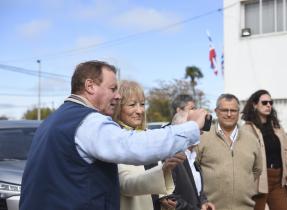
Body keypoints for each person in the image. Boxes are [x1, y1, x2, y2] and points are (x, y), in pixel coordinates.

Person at [19, 60, 208, 210]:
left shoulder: (55, 120)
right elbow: (134, 147)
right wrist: (191, 127)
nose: (117, 96)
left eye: (142, 104)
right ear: (90, 86)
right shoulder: (88, 122)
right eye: (112, 89)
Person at [112, 80, 184, 210]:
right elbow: (126, 185)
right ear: (118, 107)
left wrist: (163, 197)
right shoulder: (115, 139)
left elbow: (153, 181)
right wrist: (163, 170)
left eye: (142, 104)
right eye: (132, 104)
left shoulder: (148, 136)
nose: (139, 110)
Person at [196, 93, 262, 210]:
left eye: (233, 110)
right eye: (224, 110)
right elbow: (193, 171)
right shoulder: (202, 137)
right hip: (211, 207)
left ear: (239, 113)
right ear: (216, 111)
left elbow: (257, 170)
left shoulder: (252, 139)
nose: (229, 114)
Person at [241, 89, 287, 210]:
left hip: (278, 180)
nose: (269, 105)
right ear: (255, 105)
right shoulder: (247, 129)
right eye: (264, 103)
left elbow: (286, 150)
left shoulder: (277, 127)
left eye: (271, 102)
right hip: (258, 181)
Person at [169, 111, 215, 210]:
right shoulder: (171, 159)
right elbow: (169, 198)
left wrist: (203, 202)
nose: (201, 132)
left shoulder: (192, 157)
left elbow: (195, 190)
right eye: (196, 128)